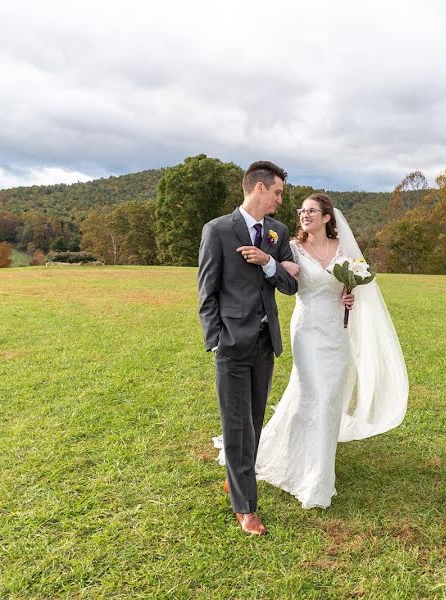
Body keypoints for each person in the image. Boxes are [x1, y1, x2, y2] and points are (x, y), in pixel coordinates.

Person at [252, 192, 409, 509]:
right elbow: (285, 282)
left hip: (338, 331)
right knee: (315, 396)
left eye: (311, 210)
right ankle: (311, 476)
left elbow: (359, 287)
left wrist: (350, 296)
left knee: (330, 398)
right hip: (307, 330)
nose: (304, 215)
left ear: (327, 217)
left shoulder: (345, 251)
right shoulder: (293, 248)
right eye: (302, 211)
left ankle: (318, 469)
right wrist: (278, 264)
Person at [197, 160, 298, 536]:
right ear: (258, 189)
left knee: (253, 423)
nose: (279, 200)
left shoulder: (277, 232)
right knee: (236, 424)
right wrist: (216, 339)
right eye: (277, 193)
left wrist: (270, 262)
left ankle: (235, 480)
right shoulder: (218, 230)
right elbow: (207, 291)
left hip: (264, 342)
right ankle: (246, 507)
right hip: (231, 344)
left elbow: (290, 287)